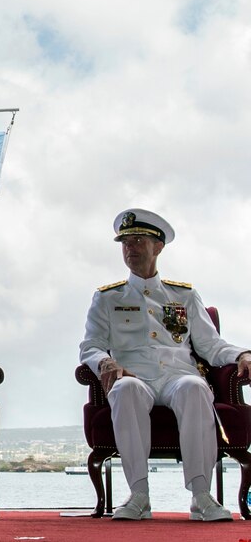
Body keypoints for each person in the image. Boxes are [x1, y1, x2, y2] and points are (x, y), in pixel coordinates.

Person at [80, 208, 251, 522]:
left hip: (177, 376)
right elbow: (89, 346)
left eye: (138, 240)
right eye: (125, 242)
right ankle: (139, 496)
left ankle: (201, 496)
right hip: (135, 375)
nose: (130, 247)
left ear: (158, 246)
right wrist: (105, 363)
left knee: (195, 387)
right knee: (126, 389)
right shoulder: (107, 297)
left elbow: (211, 347)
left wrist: (242, 355)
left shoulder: (183, 295)